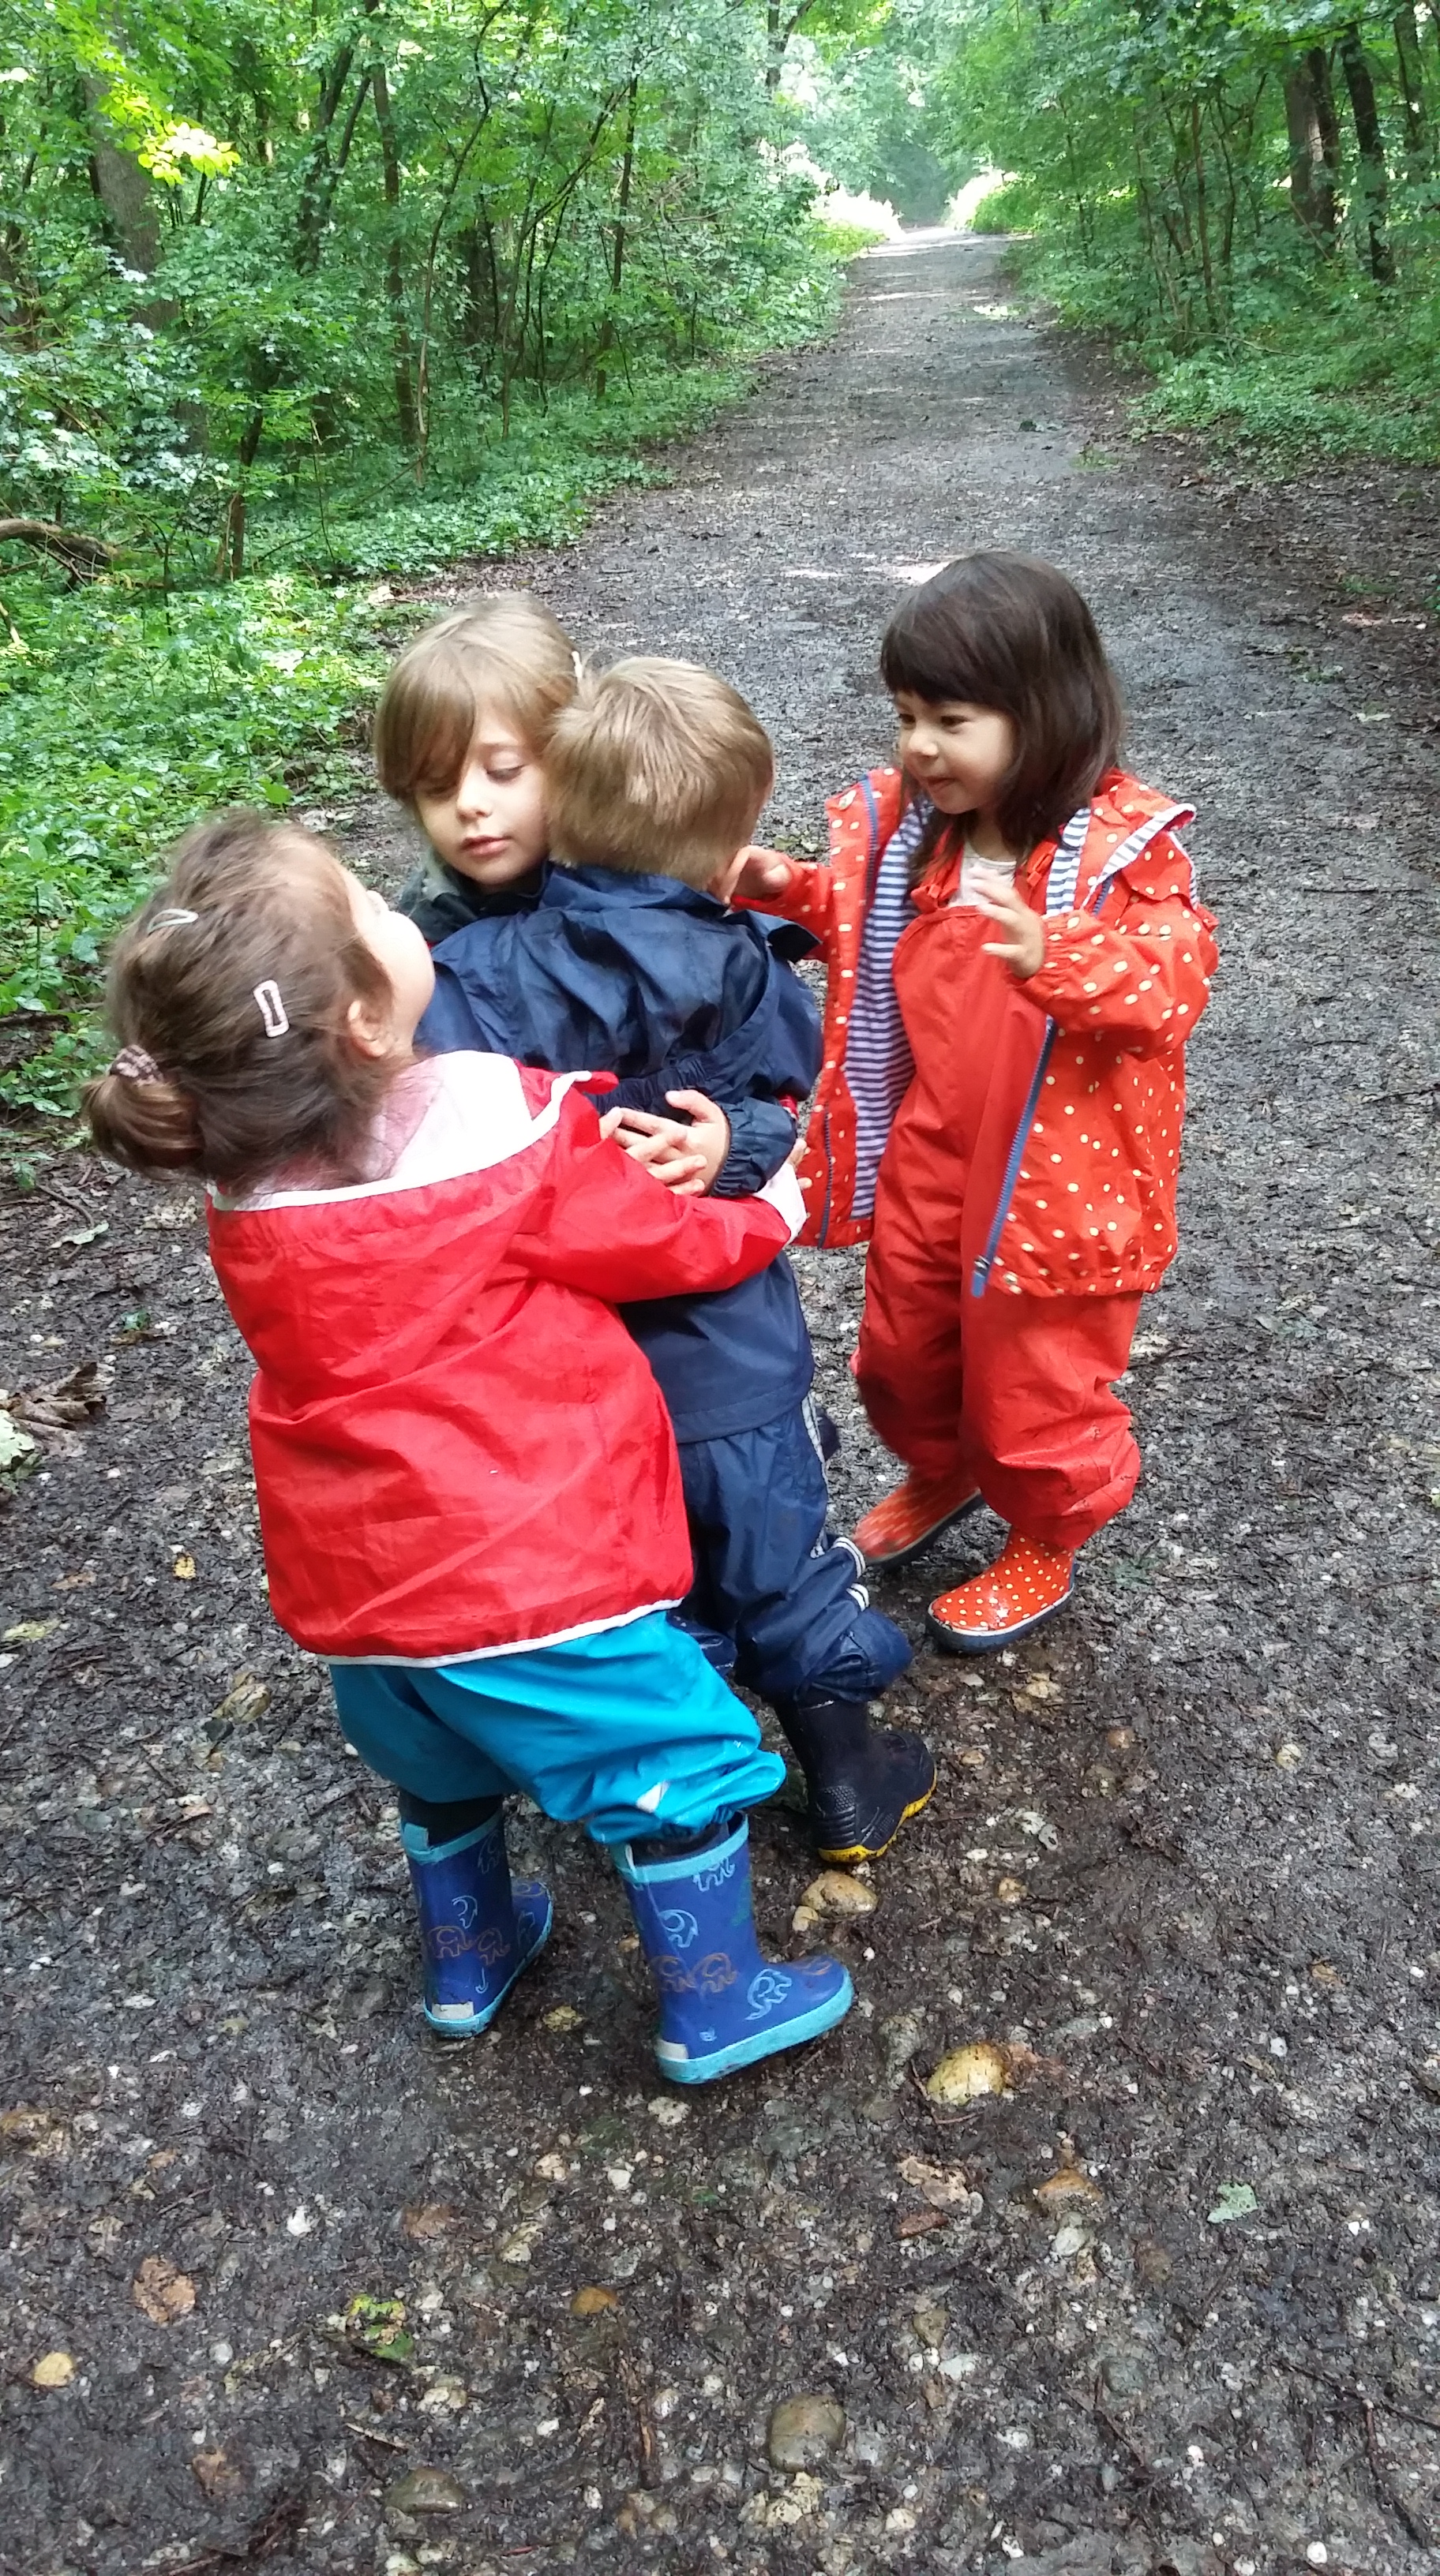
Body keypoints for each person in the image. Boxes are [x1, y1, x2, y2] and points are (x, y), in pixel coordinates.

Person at [82, 809, 855, 2087]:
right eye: (368, 907)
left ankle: (470, 1959)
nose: (400, 907)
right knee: (675, 1760)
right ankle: (717, 2006)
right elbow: (655, 1241)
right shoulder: (491, 1132)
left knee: (439, 1767)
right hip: (527, 1569)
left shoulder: (241, 1184)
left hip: (361, 1588)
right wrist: (765, 1210)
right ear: (363, 1022)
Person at [416, 656, 934, 1864]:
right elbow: (799, 1105)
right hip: (735, 1359)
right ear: (727, 850)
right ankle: (848, 1783)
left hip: (581, 1377)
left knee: (648, 1584)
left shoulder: (475, 974)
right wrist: (732, 1143)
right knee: (781, 1562)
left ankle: (691, 1814)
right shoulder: (742, 961)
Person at [733, 552, 1218, 1652]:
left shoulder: (1119, 855)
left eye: (951, 721)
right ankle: (944, 1468)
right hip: (933, 1148)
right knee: (903, 1353)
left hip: (1058, 1184)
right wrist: (790, 888)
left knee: (1037, 1381)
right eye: (907, 716)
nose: (918, 746)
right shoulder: (923, 836)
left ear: (1044, 714)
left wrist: (1059, 953)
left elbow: (1171, 983)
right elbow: (861, 912)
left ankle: (1045, 1531)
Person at [373, 594, 576, 943]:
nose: (467, 804)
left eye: (504, 770)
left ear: (573, 758)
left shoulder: (642, 887)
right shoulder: (419, 941)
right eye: (438, 786)